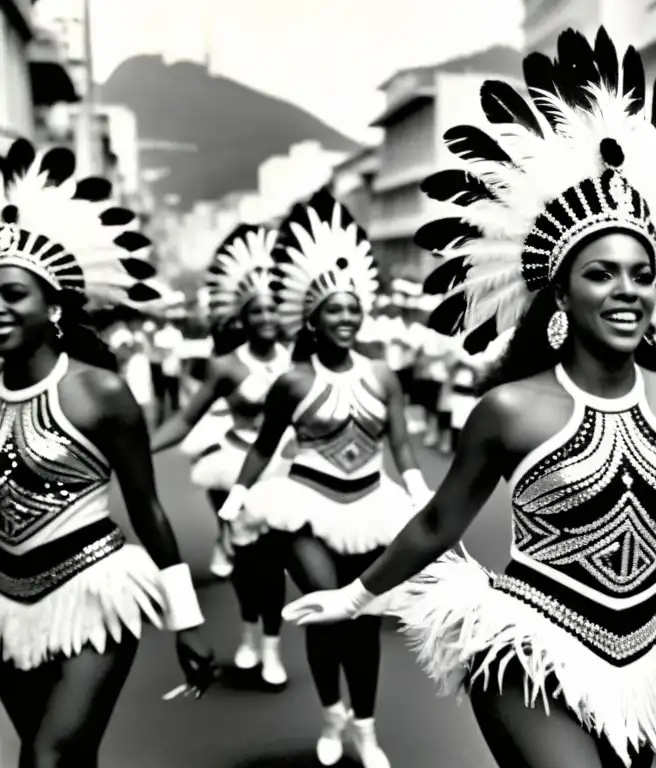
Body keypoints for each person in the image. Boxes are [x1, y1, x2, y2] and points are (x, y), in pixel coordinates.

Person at [280, 28, 656, 768]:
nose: (628, 291)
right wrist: (355, 598)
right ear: (560, 293)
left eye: (641, 274)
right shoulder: (512, 410)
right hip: (527, 645)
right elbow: (436, 523)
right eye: (602, 274)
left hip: (640, 659)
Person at [0, 138, 216, 766]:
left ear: (54, 306)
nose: (0, 307)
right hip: (8, 602)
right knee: (62, 757)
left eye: (14, 293)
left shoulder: (100, 394)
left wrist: (187, 620)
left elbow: (149, 508)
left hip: (96, 589)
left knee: (45, 759)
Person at [218, 189, 433, 767]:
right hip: (306, 505)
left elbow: (402, 443)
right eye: (333, 310)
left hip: (372, 502)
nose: (345, 318)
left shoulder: (384, 375)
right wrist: (238, 495)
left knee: (361, 618)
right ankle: (330, 713)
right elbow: (265, 446)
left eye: (352, 308)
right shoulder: (292, 381)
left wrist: (416, 489)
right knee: (324, 604)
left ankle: (363, 726)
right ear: (312, 318)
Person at [150, 224, 291, 688]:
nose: (267, 316)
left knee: (272, 563)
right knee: (245, 564)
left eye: (274, 307)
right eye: (258, 311)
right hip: (233, 469)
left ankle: (271, 647)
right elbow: (187, 418)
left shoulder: (299, 361)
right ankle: (249, 633)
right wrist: (139, 447)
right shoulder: (226, 366)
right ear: (245, 319)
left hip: (285, 472)